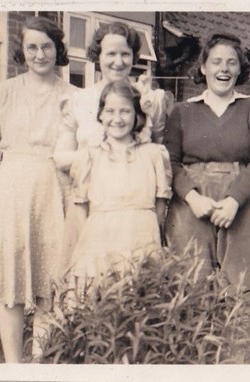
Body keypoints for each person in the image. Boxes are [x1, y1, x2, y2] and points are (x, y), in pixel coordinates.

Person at [0, 16, 76, 363]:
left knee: (50, 285)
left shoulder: (73, 97)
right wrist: (6, 180)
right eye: (32, 46)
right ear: (22, 50)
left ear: (57, 49)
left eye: (47, 46)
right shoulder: (1, 93)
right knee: (10, 287)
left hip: (56, 191)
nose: (40, 54)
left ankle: (41, 362)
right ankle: (14, 366)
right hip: (12, 191)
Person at [54, 21, 169, 277]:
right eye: (111, 54)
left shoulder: (148, 99)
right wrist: (101, 157)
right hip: (92, 207)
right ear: (98, 56)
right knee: (89, 284)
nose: (118, 61)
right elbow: (60, 157)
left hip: (135, 213)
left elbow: (158, 151)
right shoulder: (79, 100)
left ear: (133, 56)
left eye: (125, 53)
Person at [163, 33, 250, 291]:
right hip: (193, 207)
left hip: (240, 205)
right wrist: (192, 198)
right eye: (216, 62)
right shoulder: (182, 111)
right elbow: (170, 160)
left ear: (240, 69)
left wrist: (234, 200)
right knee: (190, 286)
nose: (223, 69)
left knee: (247, 286)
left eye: (231, 62)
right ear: (203, 67)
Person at [67, 80, 172, 299]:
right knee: (99, 302)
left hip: (142, 238)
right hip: (100, 241)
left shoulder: (154, 154)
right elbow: (80, 209)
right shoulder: (91, 156)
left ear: (137, 116)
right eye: (110, 111)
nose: (117, 118)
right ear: (101, 115)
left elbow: (161, 206)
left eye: (125, 111)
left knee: (140, 304)